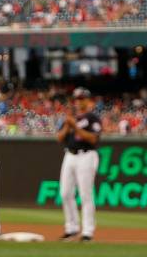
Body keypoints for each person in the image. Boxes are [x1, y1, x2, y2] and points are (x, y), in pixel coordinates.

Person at [56, 87, 101, 242]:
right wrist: (68, 125)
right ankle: (72, 228)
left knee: (85, 194)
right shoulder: (71, 118)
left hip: (86, 156)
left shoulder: (92, 118)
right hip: (70, 155)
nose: (79, 101)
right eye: (77, 98)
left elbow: (93, 139)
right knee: (65, 193)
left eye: (82, 98)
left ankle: (88, 231)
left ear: (88, 100)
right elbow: (60, 137)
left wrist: (74, 126)